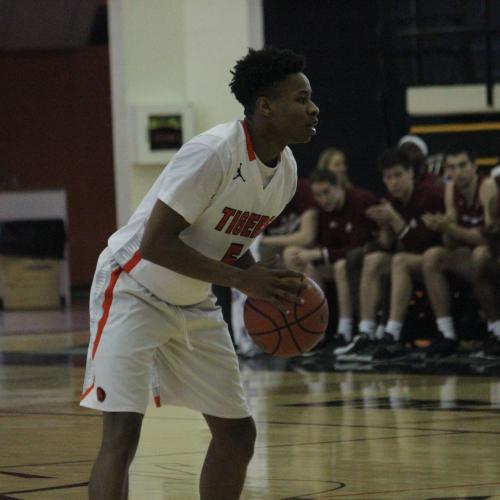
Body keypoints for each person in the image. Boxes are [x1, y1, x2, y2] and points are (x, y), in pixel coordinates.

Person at [80, 47, 319, 500]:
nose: (313, 109)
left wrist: (262, 282)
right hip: (132, 286)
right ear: (265, 106)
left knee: (237, 435)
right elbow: (155, 243)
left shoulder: (285, 171)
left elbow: (228, 243)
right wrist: (243, 282)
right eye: (301, 98)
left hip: (192, 301)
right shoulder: (213, 153)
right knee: (122, 434)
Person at [338, 148, 444, 361]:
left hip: (436, 260)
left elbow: (420, 243)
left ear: (410, 173)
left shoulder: (429, 194)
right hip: (410, 261)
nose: (393, 182)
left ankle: (392, 335)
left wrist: (395, 220)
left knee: (400, 261)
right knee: (373, 259)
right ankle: (366, 332)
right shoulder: (389, 200)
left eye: (398, 175)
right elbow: (387, 245)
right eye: (388, 178)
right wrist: (383, 227)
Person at [283, 168, 380, 350]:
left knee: (340, 266)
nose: (323, 199)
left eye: (326, 192)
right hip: (346, 260)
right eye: (318, 195)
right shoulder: (324, 211)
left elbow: (357, 247)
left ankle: (345, 331)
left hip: (367, 260)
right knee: (311, 267)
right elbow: (331, 246)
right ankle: (316, 330)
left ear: (339, 187)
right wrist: (317, 256)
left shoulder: (360, 201)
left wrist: (320, 254)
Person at [421, 145, 498, 356]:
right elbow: (451, 244)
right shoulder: (450, 190)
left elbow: (490, 238)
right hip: (473, 254)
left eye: (463, 165)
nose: (458, 171)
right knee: (432, 256)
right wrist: (442, 227)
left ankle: (496, 330)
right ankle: (447, 334)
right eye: (452, 167)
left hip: (493, 254)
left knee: (480, 255)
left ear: (474, 166)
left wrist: (450, 227)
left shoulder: (487, 185)